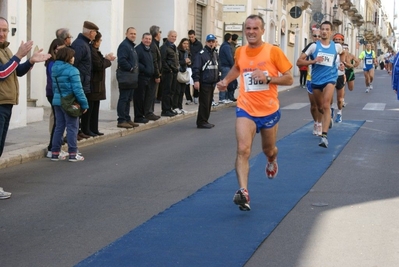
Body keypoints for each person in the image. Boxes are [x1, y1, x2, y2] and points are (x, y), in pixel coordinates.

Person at [217, 15, 293, 211]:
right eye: (248, 28)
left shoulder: (273, 52)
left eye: (255, 28)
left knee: (269, 149)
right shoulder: (240, 51)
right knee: (243, 149)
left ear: (262, 30)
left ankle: (271, 159)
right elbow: (237, 67)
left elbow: (289, 79)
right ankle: (244, 191)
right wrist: (226, 81)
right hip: (246, 108)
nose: (251, 32)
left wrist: (268, 78)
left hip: (268, 110)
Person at [0, 16, 51, 199]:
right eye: (0, 30)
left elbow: (16, 72)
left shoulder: (6, 51)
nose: (3, 33)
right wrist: (19, 55)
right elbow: (3, 73)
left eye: (5, 30)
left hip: (6, 104)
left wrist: (30, 61)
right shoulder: (8, 53)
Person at [297, 21, 345, 148]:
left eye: (327, 29)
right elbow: (299, 62)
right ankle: (326, 119)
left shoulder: (336, 47)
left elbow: (342, 53)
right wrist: (313, 61)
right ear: (320, 31)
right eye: (322, 29)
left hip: (330, 78)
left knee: (325, 105)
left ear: (331, 32)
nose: (324, 31)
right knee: (319, 108)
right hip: (316, 80)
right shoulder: (313, 46)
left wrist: (342, 63)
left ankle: (324, 137)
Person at [51, 47, 88, 162]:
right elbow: (78, 90)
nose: (73, 58)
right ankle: (73, 153)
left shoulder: (54, 68)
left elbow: (54, 87)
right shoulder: (73, 70)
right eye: (72, 56)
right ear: (68, 57)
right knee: (72, 127)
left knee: (59, 127)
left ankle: (55, 152)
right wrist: (84, 104)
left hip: (57, 101)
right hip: (70, 102)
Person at [71, 21, 99, 138]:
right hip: (79, 82)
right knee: (76, 108)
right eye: (95, 32)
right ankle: (75, 132)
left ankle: (79, 131)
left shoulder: (85, 43)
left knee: (81, 108)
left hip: (84, 82)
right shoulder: (80, 45)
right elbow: (74, 64)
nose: (96, 35)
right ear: (91, 32)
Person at [45, 38, 68, 158]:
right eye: (60, 49)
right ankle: (52, 148)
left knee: (58, 122)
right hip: (53, 93)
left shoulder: (55, 62)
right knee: (58, 123)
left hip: (54, 93)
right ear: (55, 49)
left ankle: (55, 147)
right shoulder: (53, 63)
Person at [297, 28, 322, 136]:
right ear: (312, 37)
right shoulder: (310, 48)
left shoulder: (327, 47)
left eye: (319, 36)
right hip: (310, 79)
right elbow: (299, 61)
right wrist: (312, 61)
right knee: (313, 105)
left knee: (320, 105)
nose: (317, 38)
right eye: (315, 36)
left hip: (323, 79)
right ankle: (315, 122)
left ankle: (320, 124)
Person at [89, 31, 115, 135]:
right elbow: (99, 65)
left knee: (95, 109)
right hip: (94, 84)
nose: (100, 42)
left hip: (98, 84)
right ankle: (90, 129)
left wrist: (105, 59)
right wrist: (107, 60)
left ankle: (94, 129)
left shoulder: (95, 51)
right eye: (99, 40)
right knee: (91, 109)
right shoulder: (92, 51)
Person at [192, 34, 220, 129]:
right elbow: (196, 67)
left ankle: (205, 120)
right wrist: (196, 80)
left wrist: (218, 79)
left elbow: (216, 67)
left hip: (212, 82)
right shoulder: (202, 54)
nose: (211, 43)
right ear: (206, 42)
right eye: (209, 41)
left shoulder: (214, 54)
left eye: (213, 41)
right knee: (204, 103)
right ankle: (201, 121)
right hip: (204, 82)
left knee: (208, 103)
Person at [116, 27, 140, 128]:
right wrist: (130, 68)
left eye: (135, 34)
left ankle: (127, 118)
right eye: (131, 33)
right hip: (126, 76)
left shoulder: (131, 46)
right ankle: (121, 120)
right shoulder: (124, 46)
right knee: (124, 98)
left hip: (132, 77)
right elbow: (122, 60)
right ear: (126, 34)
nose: (133, 35)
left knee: (129, 98)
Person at [134, 32, 156, 123]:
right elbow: (136, 62)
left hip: (148, 78)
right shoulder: (138, 49)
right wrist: (145, 68)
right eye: (146, 39)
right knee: (139, 98)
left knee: (146, 97)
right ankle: (138, 116)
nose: (148, 41)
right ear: (142, 39)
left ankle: (144, 114)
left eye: (149, 39)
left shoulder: (149, 49)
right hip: (141, 77)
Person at [160, 30, 179, 117]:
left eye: (175, 36)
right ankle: (165, 110)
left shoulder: (174, 47)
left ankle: (169, 108)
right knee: (166, 92)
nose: (174, 38)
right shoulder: (164, 47)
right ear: (168, 36)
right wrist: (169, 70)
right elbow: (162, 61)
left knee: (172, 91)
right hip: (168, 73)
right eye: (172, 36)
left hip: (174, 72)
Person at [331, 33, 347, 123]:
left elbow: (348, 64)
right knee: (329, 96)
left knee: (340, 99)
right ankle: (332, 109)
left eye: (339, 40)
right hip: (331, 75)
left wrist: (343, 64)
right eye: (335, 39)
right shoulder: (330, 49)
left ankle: (339, 113)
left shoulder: (345, 52)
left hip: (340, 75)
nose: (337, 41)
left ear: (342, 41)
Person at [149, 25, 162, 112]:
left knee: (152, 94)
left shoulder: (156, 44)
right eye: (160, 32)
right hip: (153, 74)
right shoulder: (153, 45)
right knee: (151, 94)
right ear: (157, 34)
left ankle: (151, 111)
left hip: (155, 73)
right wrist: (157, 75)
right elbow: (154, 61)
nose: (161, 34)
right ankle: (149, 111)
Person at [218, 33, 234, 104]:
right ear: (229, 38)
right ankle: (222, 98)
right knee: (224, 81)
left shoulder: (223, 45)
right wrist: (233, 65)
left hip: (224, 65)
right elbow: (229, 57)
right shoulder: (226, 46)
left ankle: (225, 97)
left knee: (226, 81)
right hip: (226, 66)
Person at [176, 38, 191, 113]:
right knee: (177, 91)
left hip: (184, 72)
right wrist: (184, 61)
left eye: (187, 44)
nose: (186, 45)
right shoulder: (178, 51)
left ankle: (180, 106)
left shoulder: (186, 52)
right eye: (184, 43)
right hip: (178, 73)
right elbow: (177, 62)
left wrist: (189, 62)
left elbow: (189, 60)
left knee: (182, 91)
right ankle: (176, 107)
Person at [188, 30, 202, 104]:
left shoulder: (199, 44)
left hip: (196, 64)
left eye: (192, 37)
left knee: (195, 80)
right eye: (190, 37)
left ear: (195, 36)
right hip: (188, 65)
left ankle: (195, 96)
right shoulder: (187, 43)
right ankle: (188, 98)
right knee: (187, 81)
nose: (191, 38)